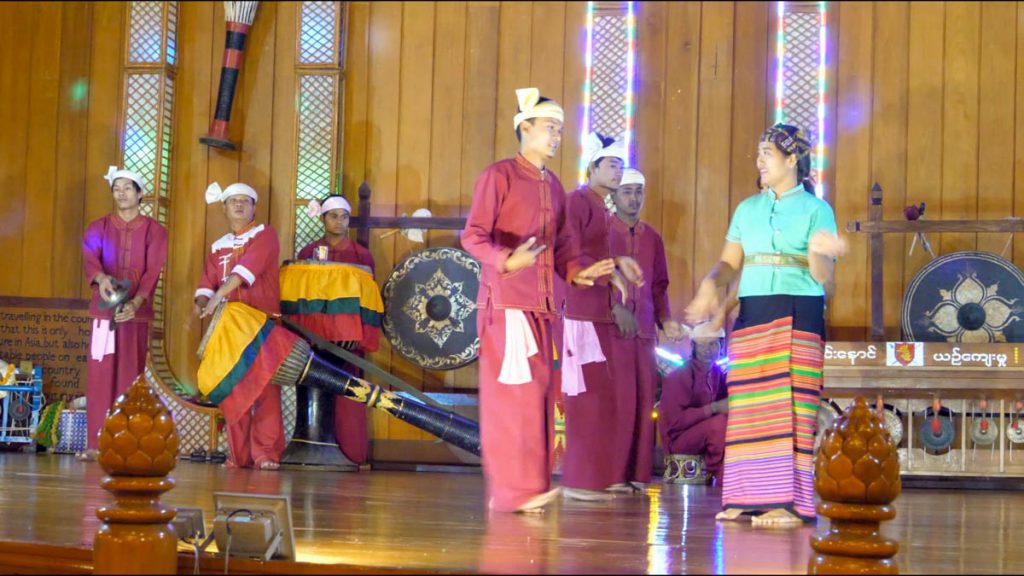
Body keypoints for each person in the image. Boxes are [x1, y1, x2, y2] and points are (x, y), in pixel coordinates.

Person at [461, 87, 618, 514]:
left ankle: (529, 488)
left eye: (560, 130)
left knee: (538, 395)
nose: (556, 137)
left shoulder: (552, 183)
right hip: (508, 303)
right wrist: (507, 260)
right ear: (524, 127)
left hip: (543, 305)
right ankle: (512, 492)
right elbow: (472, 235)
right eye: (549, 128)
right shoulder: (500, 176)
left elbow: (565, 247)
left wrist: (578, 271)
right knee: (513, 398)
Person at [685, 123, 848, 527]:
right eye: (758, 152)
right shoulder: (747, 209)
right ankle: (747, 495)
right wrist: (710, 285)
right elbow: (729, 263)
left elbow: (821, 275)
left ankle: (792, 505)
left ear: (793, 160)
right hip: (754, 310)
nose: (759, 160)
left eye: (767, 153)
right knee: (751, 404)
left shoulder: (816, 209)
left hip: (799, 310)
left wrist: (822, 252)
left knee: (793, 405)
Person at [601, 167, 684, 492]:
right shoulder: (604, 232)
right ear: (614, 196)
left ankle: (637, 475)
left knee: (642, 400)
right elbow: (596, 281)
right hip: (613, 330)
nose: (634, 198)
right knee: (619, 401)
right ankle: (612, 475)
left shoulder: (652, 237)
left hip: (645, 331)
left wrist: (666, 321)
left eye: (639, 191)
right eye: (626, 191)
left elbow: (659, 286)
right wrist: (612, 308)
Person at [80, 166, 168, 461]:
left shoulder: (156, 231)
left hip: (135, 313)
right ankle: (96, 443)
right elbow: (91, 258)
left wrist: (137, 302)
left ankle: (125, 442)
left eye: (128, 188)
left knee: (131, 375)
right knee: (100, 373)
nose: (121, 193)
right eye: (117, 188)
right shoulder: (98, 226)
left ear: (140, 193)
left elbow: (153, 271)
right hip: (104, 311)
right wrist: (102, 280)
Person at [194, 182, 285, 470]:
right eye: (233, 201)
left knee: (266, 391)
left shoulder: (265, 235)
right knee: (234, 390)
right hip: (229, 329)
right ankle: (238, 455)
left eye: (245, 201)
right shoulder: (217, 246)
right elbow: (207, 282)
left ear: (254, 207)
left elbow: (246, 269)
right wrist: (200, 302)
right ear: (224, 207)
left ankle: (266, 454)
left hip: (261, 323)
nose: (239, 205)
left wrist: (220, 294)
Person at [296, 194, 376, 465]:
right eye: (333, 216)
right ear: (323, 218)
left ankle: (351, 454)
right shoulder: (308, 253)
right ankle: (310, 448)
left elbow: (369, 299)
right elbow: (301, 296)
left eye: (344, 216)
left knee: (349, 395)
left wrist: (360, 335)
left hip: (348, 339)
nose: (339, 221)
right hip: (315, 337)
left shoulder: (361, 254)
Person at [657, 322, 728, 484]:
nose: (707, 350)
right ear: (693, 347)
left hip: (704, 436)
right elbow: (674, 421)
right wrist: (714, 408)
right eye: (702, 345)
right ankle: (721, 474)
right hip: (678, 439)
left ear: (721, 347)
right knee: (718, 423)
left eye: (713, 344)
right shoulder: (681, 374)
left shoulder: (718, 373)